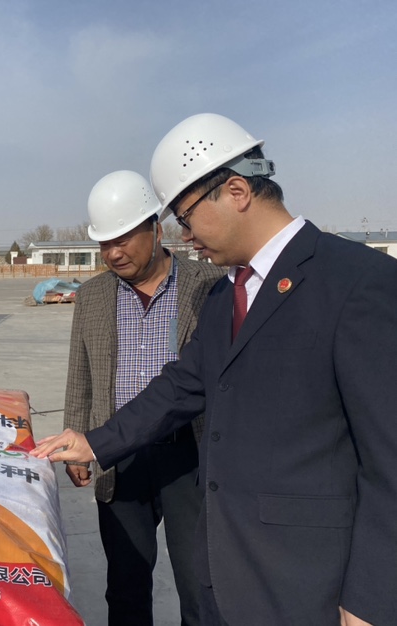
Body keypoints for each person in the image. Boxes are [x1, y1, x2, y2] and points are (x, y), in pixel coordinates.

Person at [33, 113, 397, 626]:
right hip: (228, 565)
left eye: (185, 218)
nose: (185, 236)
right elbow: (181, 386)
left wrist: (370, 600)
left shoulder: (358, 282)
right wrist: (94, 442)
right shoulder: (227, 296)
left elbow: (388, 459)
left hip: (309, 581)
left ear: (236, 191)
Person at [66, 170, 223, 625]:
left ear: (156, 228)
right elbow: (81, 374)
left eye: (123, 239)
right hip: (119, 454)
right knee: (126, 583)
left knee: (200, 582)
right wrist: (78, 435)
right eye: (104, 244)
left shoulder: (207, 283)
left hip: (189, 455)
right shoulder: (93, 296)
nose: (113, 253)